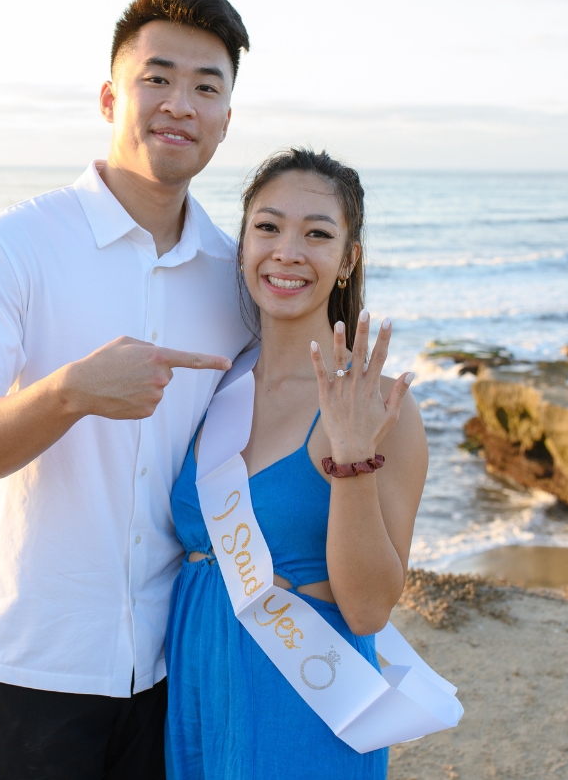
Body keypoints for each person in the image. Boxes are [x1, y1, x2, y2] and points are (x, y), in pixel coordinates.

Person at [0, 0, 253, 780]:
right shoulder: (13, 246)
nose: (180, 103)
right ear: (111, 96)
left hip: (170, 659)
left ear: (226, 121)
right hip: (30, 658)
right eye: (158, 77)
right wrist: (70, 392)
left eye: (206, 87)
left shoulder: (237, 277)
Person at [164, 148, 430, 779]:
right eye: (268, 227)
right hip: (199, 676)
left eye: (317, 233)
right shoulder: (213, 385)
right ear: (243, 243)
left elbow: (368, 608)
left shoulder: (378, 403)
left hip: (302, 691)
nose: (287, 251)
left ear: (349, 259)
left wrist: (352, 456)